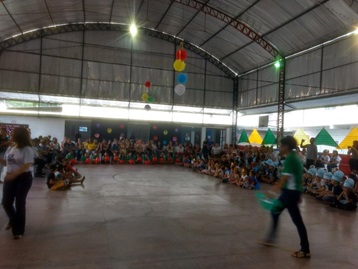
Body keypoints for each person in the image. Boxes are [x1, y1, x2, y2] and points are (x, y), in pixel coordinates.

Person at [259, 136, 310, 258]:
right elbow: (297, 177)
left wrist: (272, 191)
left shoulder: (291, 159)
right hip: (289, 192)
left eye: (281, 145)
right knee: (274, 211)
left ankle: (305, 250)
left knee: (297, 221)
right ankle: (271, 238)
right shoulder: (293, 157)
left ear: (286, 146)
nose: (279, 148)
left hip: (290, 193)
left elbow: (283, 179)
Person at [0, 127, 35, 239]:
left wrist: (14, 174)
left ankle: (18, 231)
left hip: (24, 178)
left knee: (19, 203)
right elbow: (6, 163)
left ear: (19, 136)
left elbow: (27, 165)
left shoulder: (27, 149)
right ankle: (13, 220)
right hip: (10, 177)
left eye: (13, 134)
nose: (11, 135)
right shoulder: (11, 148)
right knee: (6, 202)